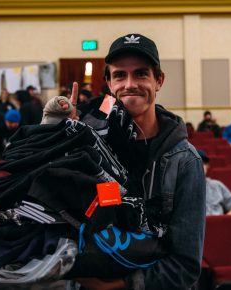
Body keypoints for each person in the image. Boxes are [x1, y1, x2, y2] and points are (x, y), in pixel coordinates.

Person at [75, 33, 206, 290]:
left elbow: (186, 265)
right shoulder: (88, 151)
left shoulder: (185, 161)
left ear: (159, 80)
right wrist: (58, 137)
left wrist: (114, 287)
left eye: (141, 74)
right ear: (109, 84)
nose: (130, 84)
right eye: (120, 75)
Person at [198, 150, 231, 216]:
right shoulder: (182, 187)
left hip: (219, 223)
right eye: (196, 163)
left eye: (203, 163)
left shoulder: (217, 185)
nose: (200, 166)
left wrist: (222, 221)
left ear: (207, 166)